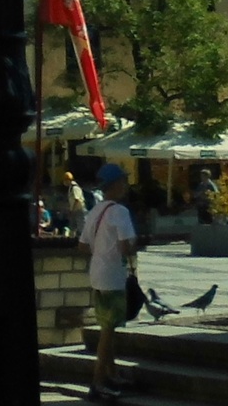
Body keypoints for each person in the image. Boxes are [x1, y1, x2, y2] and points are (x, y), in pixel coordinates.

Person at [79, 162, 139, 400]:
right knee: (108, 329)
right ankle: (98, 381)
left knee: (107, 325)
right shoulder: (120, 212)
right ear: (115, 185)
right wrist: (131, 245)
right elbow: (125, 247)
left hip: (97, 274)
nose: (125, 185)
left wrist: (101, 250)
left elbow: (83, 246)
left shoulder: (95, 210)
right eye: (123, 181)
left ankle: (112, 374)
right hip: (113, 276)